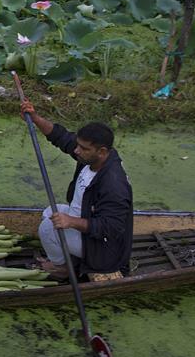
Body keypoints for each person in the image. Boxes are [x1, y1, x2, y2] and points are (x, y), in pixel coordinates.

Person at [20, 99, 133, 282]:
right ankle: (68, 256)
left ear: (102, 151)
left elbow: (111, 227)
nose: (77, 151)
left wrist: (71, 222)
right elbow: (62, 138)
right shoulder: (92, 157)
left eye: (83, 148)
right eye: (78, 145)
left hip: (102, 248)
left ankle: (62, 268)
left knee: (48, 229)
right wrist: (35, 118)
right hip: (87, 219)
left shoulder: (113, 184)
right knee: (50, 212)